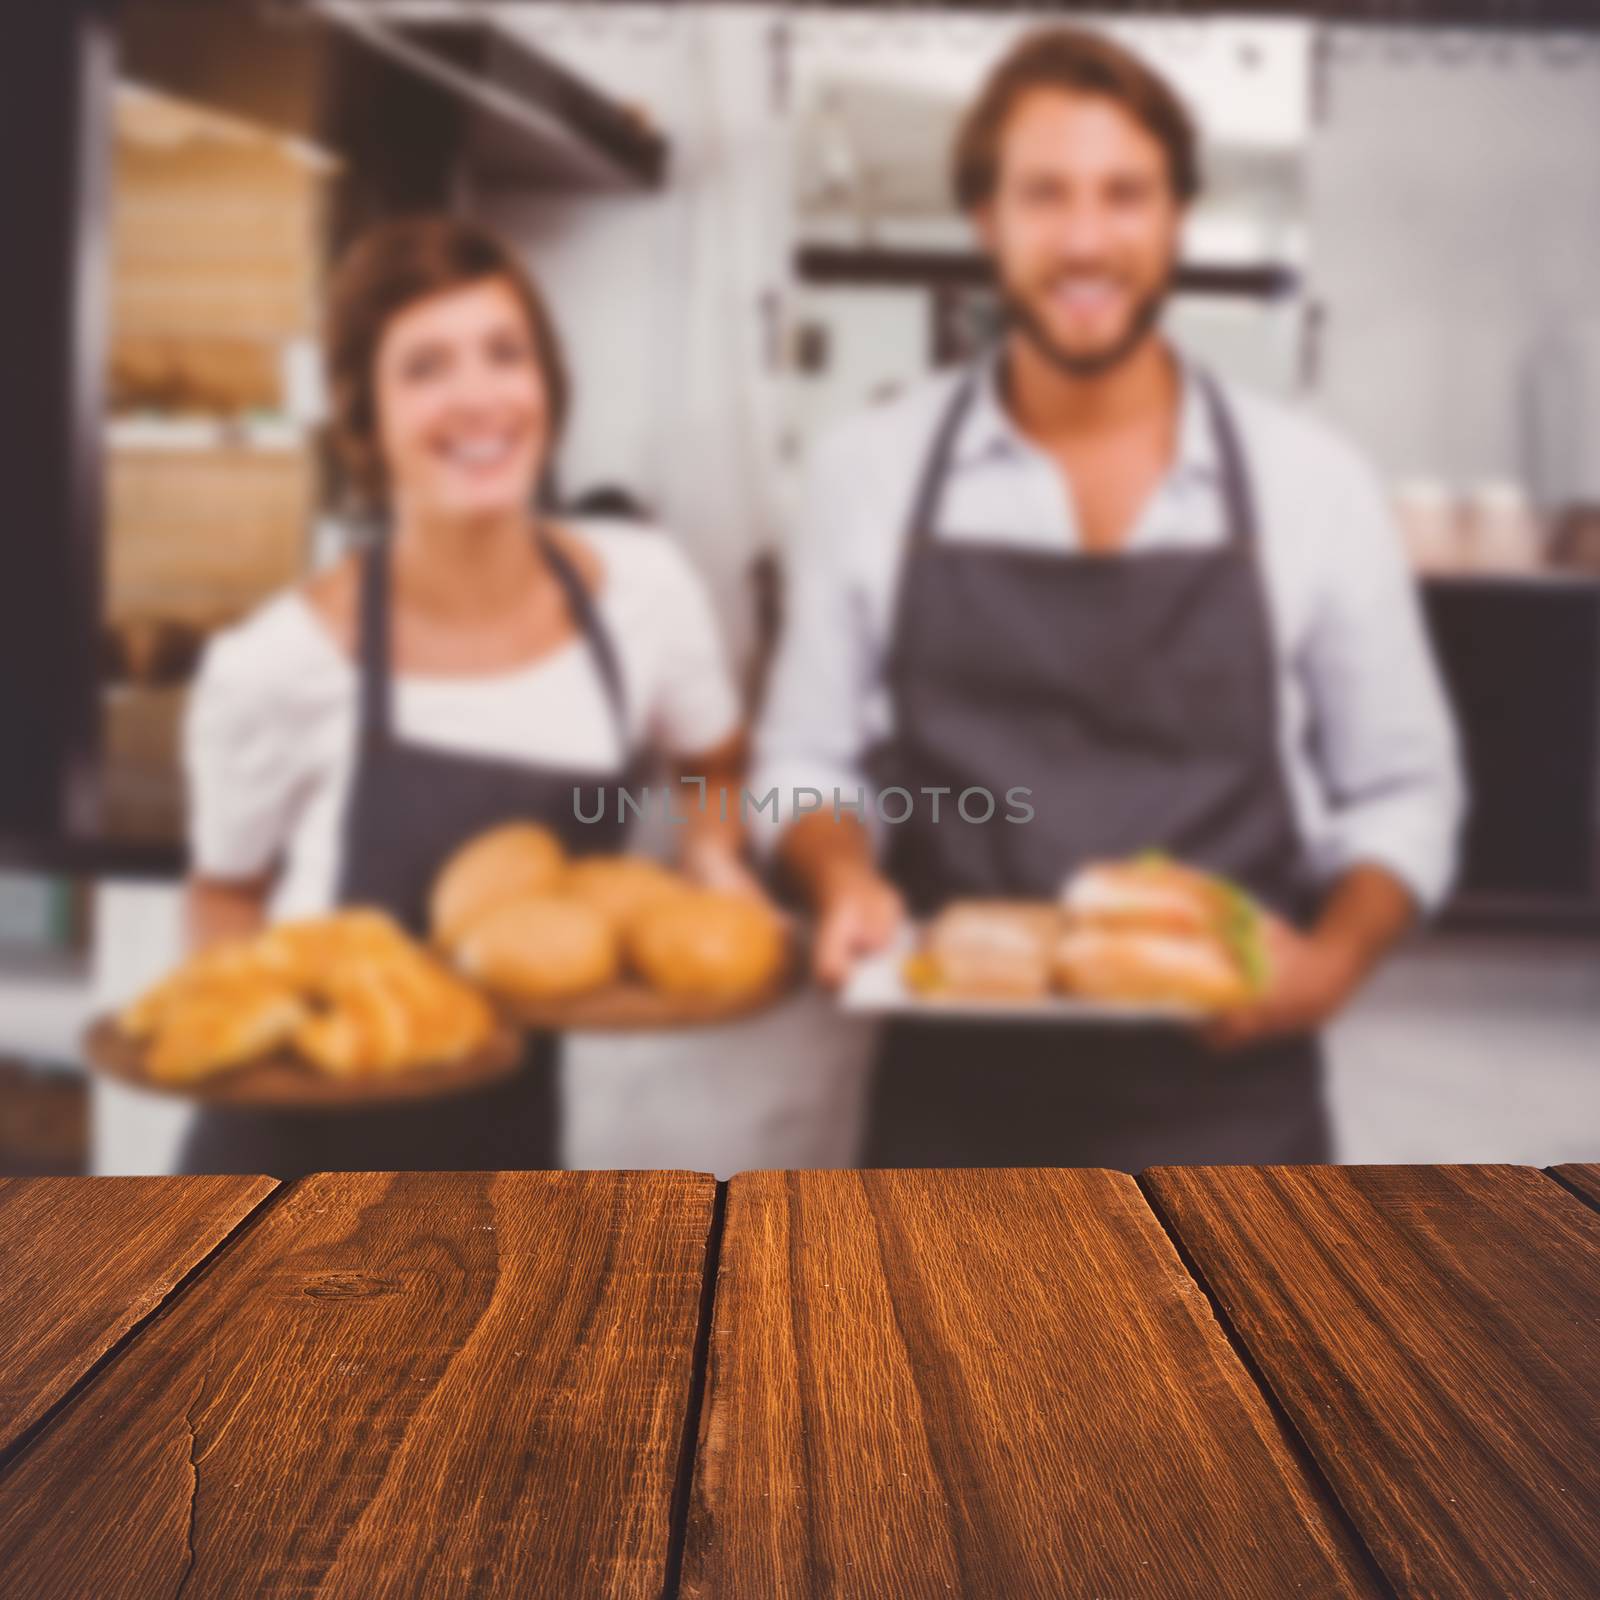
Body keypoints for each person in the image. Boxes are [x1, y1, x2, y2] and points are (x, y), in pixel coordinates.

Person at [754, 28, 1464, 1169]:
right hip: (953, 1101)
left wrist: (1328, 964)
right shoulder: (868, 471)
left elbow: (1402, 784)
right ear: (984, 219)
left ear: (1177, 217)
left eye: (1124, 194)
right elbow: (802, 761)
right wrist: (838, 874)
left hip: (1234, 1110)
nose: (1085, 240)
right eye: (1043, 195)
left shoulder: (1310, 483)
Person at [179, 216, 749, 1176]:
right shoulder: (280, 664)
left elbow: (717, 762)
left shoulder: (644, 597)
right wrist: (242, 1031)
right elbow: (227, 895)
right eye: (426, 368)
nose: (479, 397)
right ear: (365, 420)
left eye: (504, 354)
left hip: (504, 1153)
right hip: (289, 1157)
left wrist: (714, 852)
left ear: (548, 388)